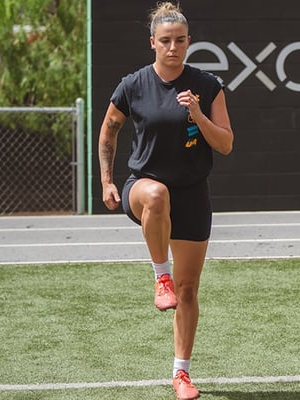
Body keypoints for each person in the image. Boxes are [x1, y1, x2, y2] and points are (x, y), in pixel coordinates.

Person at [97, 3, 233, 399]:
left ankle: (181, 374)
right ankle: (160, 275)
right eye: (166, 41)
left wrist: (198, 114)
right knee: (157, 194)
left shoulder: (207, 85)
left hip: (192, 195)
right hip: (144, 187)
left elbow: (225, 144)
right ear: (152, 43)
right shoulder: (133, 85)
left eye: (180, 40)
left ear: (189, 42)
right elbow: (108, 132)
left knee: (188, 291)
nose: (173, 47)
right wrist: (107, 181)